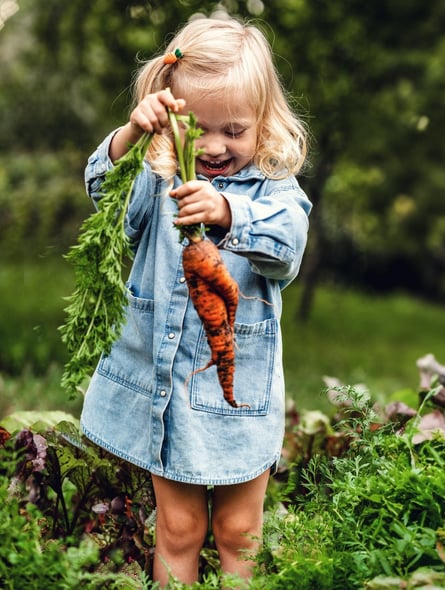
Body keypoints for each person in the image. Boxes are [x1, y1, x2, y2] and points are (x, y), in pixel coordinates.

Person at [79, 12, 311, 586]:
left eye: (234, 130)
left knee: (239, 531)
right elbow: (102, 198)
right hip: (170, 388)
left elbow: (288, 248)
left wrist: (230, 211)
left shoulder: (273, 187)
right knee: (179, 529)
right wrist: (133, 135)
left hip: (238, 396)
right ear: (170, 120)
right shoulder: (157, 175)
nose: (213, 147)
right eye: (197, 129)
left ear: (263, 120)